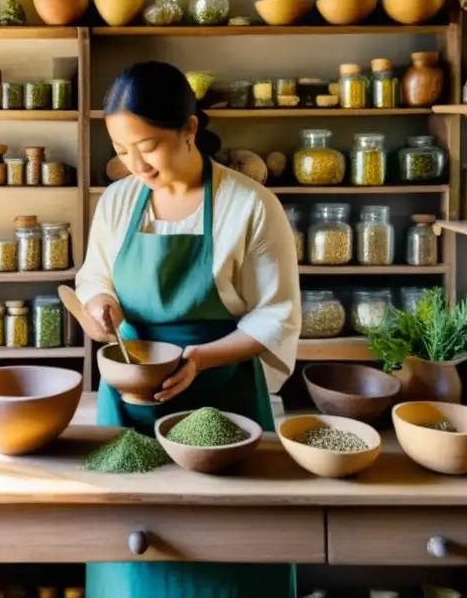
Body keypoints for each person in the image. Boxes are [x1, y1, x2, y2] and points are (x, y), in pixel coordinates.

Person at [76, 61, 301, 598]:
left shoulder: (249, 206)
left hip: (222, 399)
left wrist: (198, 359)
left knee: (230, 549)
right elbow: (94, 275)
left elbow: (276, 316)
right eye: (122, 150)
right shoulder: (119, 200)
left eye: (147, 146)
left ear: (190, 128)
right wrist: (100, 301)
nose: (134, 164)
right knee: (132, 548)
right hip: (132, 399)